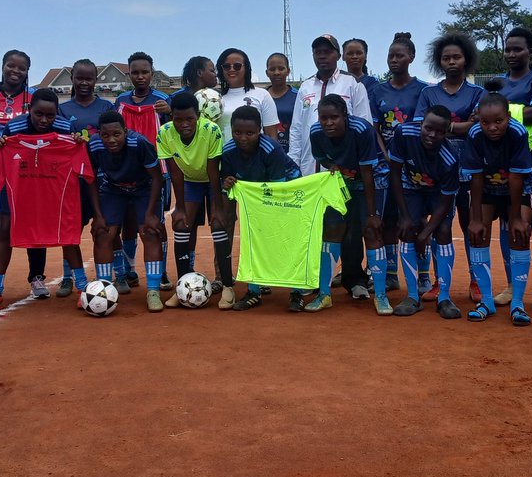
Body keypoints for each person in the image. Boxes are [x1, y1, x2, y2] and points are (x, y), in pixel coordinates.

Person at [0, 89, 82, 314]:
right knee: (4, 231)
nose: (44, 120)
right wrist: (2, 145)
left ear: (57, 114)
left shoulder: (66, 129)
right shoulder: (14, 128)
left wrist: (77, 141)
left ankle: (82, 289)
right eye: (38, 114)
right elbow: (1, 154)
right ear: (29, 110)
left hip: (49, 188)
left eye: (50, 115)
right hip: (18, 187)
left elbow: (77, 156)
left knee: (68, 231)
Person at [413, 32, 486, 304]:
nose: (451, 62)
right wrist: (460, 126)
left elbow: (478, 127)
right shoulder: (428, 92)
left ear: (466, 59)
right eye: (446, 58)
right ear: (438, 61)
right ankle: (439, 280)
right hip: (436, 170)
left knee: (470, 225)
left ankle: (476, 279)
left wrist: (443, 127)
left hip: (469, 168)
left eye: (456, 57)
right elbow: (422, 128)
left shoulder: (478, 92)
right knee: (440, 225)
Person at [0, 50, 48, 303]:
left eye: (21, 68)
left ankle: (37, 277)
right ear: (2, 67)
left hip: (29, 171)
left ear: (28, 71)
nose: (15, 72)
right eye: (10, 66)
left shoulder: (36, 98)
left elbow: (53, 127)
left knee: (33, 220)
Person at [494, 27, 532, 311]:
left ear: (530, 51)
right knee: (508, 224)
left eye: (517, 49)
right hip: (503, 162)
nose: (511, 54)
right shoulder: (498, 83)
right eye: (508, 49)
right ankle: (510, 284)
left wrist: (503, 111)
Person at [462, 88, 532, 326]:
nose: (491, 127)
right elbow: (476, 179)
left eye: (498, 121)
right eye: (485, 122)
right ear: (478, 120)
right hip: (487, 188)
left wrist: (515, 218)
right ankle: (486, 301)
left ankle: (518, 303)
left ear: (509, 118)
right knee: (478, 233)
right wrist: (474, 219)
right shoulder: (474, 134)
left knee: (520, 233)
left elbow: (517, 177)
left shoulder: (517, 132)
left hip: (518, 188)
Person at [307, 95, 386, 313]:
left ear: (345, 116)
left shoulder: (361, 130)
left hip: (371, 181)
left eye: (334, 117)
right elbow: (321, 157)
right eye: (324, 118)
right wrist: (331, 164)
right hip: (342, 181)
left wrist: (371, 214)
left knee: (371, 230)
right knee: (331, 229)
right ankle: (324, 294)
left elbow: (367, 173)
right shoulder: (315, 132)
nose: (328, 123)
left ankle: (380, 296)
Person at [219, 105, 301, 310]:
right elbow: (227, 185)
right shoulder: (228, 152)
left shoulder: (271, 149)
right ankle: (254, 291)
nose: (243, 138)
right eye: (237, 132)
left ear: (259, 131)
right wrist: (226, 183)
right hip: (257, 196)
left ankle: (297, 292)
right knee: (253, 239)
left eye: (250, 133)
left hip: (286, 193)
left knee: (288, 240)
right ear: (231, 130)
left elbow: (278, 187)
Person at [386, 105, 461, 319]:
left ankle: (444, 297)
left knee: (444, 230)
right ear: (421, 125)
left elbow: (446, 201)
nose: (432, 135)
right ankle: (412, 296)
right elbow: (395, 174)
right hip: (411, 189)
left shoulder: (450, 158)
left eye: (439, 131)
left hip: (438, 196)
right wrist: (404, 216)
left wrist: (426, 232)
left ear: (447, 132)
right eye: (428, 128)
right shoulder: (404, 134)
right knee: (407, 229)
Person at [87, 111, 166, 312]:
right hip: (114, 188)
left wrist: (150, 214)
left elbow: (157, 178)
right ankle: (103, 288)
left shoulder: (140, 143)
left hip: (143, 187)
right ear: (99, 134)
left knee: (150, 231)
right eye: (105, 135)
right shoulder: (94, 145)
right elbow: (91, 179)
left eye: (116, 134)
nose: (111, 140)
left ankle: (153, 291)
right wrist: (98, 215)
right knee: (103, 233)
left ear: (125, 131)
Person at [369, 32, 429, 293]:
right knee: (390, 220)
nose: (394, 60)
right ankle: (392, 273)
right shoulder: (377, 90)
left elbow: (422, 128)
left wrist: (407, 159)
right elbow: (375, 128)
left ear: (411, 57)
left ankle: (424, 274)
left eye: (399, 55)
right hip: (387, 166)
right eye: (390, 56)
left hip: (414, 165)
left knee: (417, 220)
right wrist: (387, 157)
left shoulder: (423, 90)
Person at [157, 90, 227, 307]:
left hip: (214, 178)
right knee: (181, 224)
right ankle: (182, 287)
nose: (184, 124)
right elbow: (174, 171)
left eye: (189, 118)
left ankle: (227, 287)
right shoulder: (164, 133)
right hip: (189, 180)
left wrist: (216, 206)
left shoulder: (211, 130)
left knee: (218, 224)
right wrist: (179, 206)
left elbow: (213, 170)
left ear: (198, 116)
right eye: (178, 119)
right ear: (171, 118)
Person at [57, 58, 118, 295]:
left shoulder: (105, 107)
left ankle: (119, 275)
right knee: (71, 229)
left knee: (108, 227)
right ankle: (68, 277)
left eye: (89, 78)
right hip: (74, 180)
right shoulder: (63, 110)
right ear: (72, 78)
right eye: (79, 78)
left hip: (102, 177)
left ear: (96, 79)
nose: (84, 83)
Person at [114, 51, 174, 292]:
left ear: (152, 73)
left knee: (156, 223)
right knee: (128, 222)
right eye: (135, 73)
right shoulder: (120, 102)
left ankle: (160, 271)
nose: (140, 77)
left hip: (157, 171)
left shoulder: (162, 101)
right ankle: (129, 270)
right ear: (129, 74)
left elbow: (177, 128)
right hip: (127, 171)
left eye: (145, 72)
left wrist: (168, 111)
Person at [287, 34, 373, 175]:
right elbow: (296, 128)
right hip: (308, 169)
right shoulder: (305, 87)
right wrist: (294, 164)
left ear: (339, 56)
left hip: (343, 170)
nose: (322, 56)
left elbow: (365, 127)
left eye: (327, 52)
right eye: (318, 52)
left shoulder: (353, 83)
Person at [216, 47, 279, 142]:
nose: (232, 69)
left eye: (237, 66)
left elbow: (271, 137)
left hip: (255, 156)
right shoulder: (215, 99)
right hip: (223, 156)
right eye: (226, 66)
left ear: (246, 68)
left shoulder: (262, 95)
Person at [264, 52, 298, 154]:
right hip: (266, 154)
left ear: (288, 71)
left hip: (292, 153)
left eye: (281, 68)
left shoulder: (298, 96)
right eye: (272, 69)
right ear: (267, 72)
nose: (277, 72)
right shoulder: (260, 97)